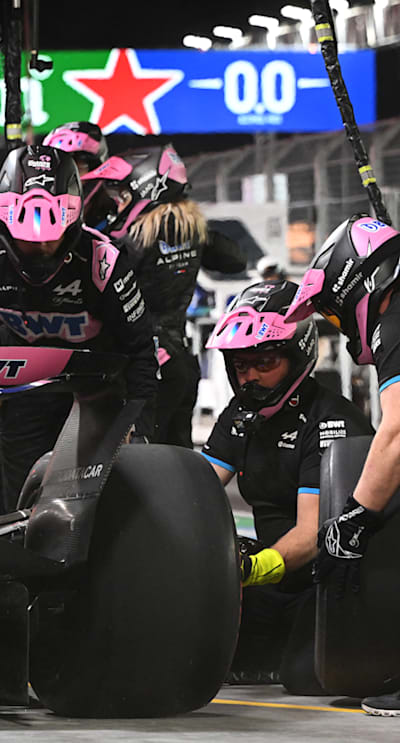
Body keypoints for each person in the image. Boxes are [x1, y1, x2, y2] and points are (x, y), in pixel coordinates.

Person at [0, 144, 158, 511]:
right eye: (27, 240)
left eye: (50, 240)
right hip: (26, 389)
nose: (39, 250)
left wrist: (140, 423)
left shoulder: (104, 261)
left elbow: (141, 350)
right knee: (22, 503)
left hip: (99, 390)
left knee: (100, 503)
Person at [203, 280, 372, 692]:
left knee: (305, 678)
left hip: (329, 583)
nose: (251, 378)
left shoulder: (331, 420)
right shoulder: (239, 415)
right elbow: (195, 488)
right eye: (241, 366)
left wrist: (248, 569)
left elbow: (311, 534)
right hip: (272, 585)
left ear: (297, 356)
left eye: (265, 363)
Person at [281, 214, 400, 715]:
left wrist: (355, 517)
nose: (338, 323)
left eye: (333, 313)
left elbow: (396, 432)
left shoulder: (395, 321)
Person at [81, 145, 247, 448]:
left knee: (138, 460)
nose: (117, 206)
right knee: (177, 458)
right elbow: (235, 260)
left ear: (145, 189)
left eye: (123, 197)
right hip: (180, 359)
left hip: (145, 363)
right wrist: (196, 233)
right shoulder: (192, 229)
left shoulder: (132, 241)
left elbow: (95, 293)